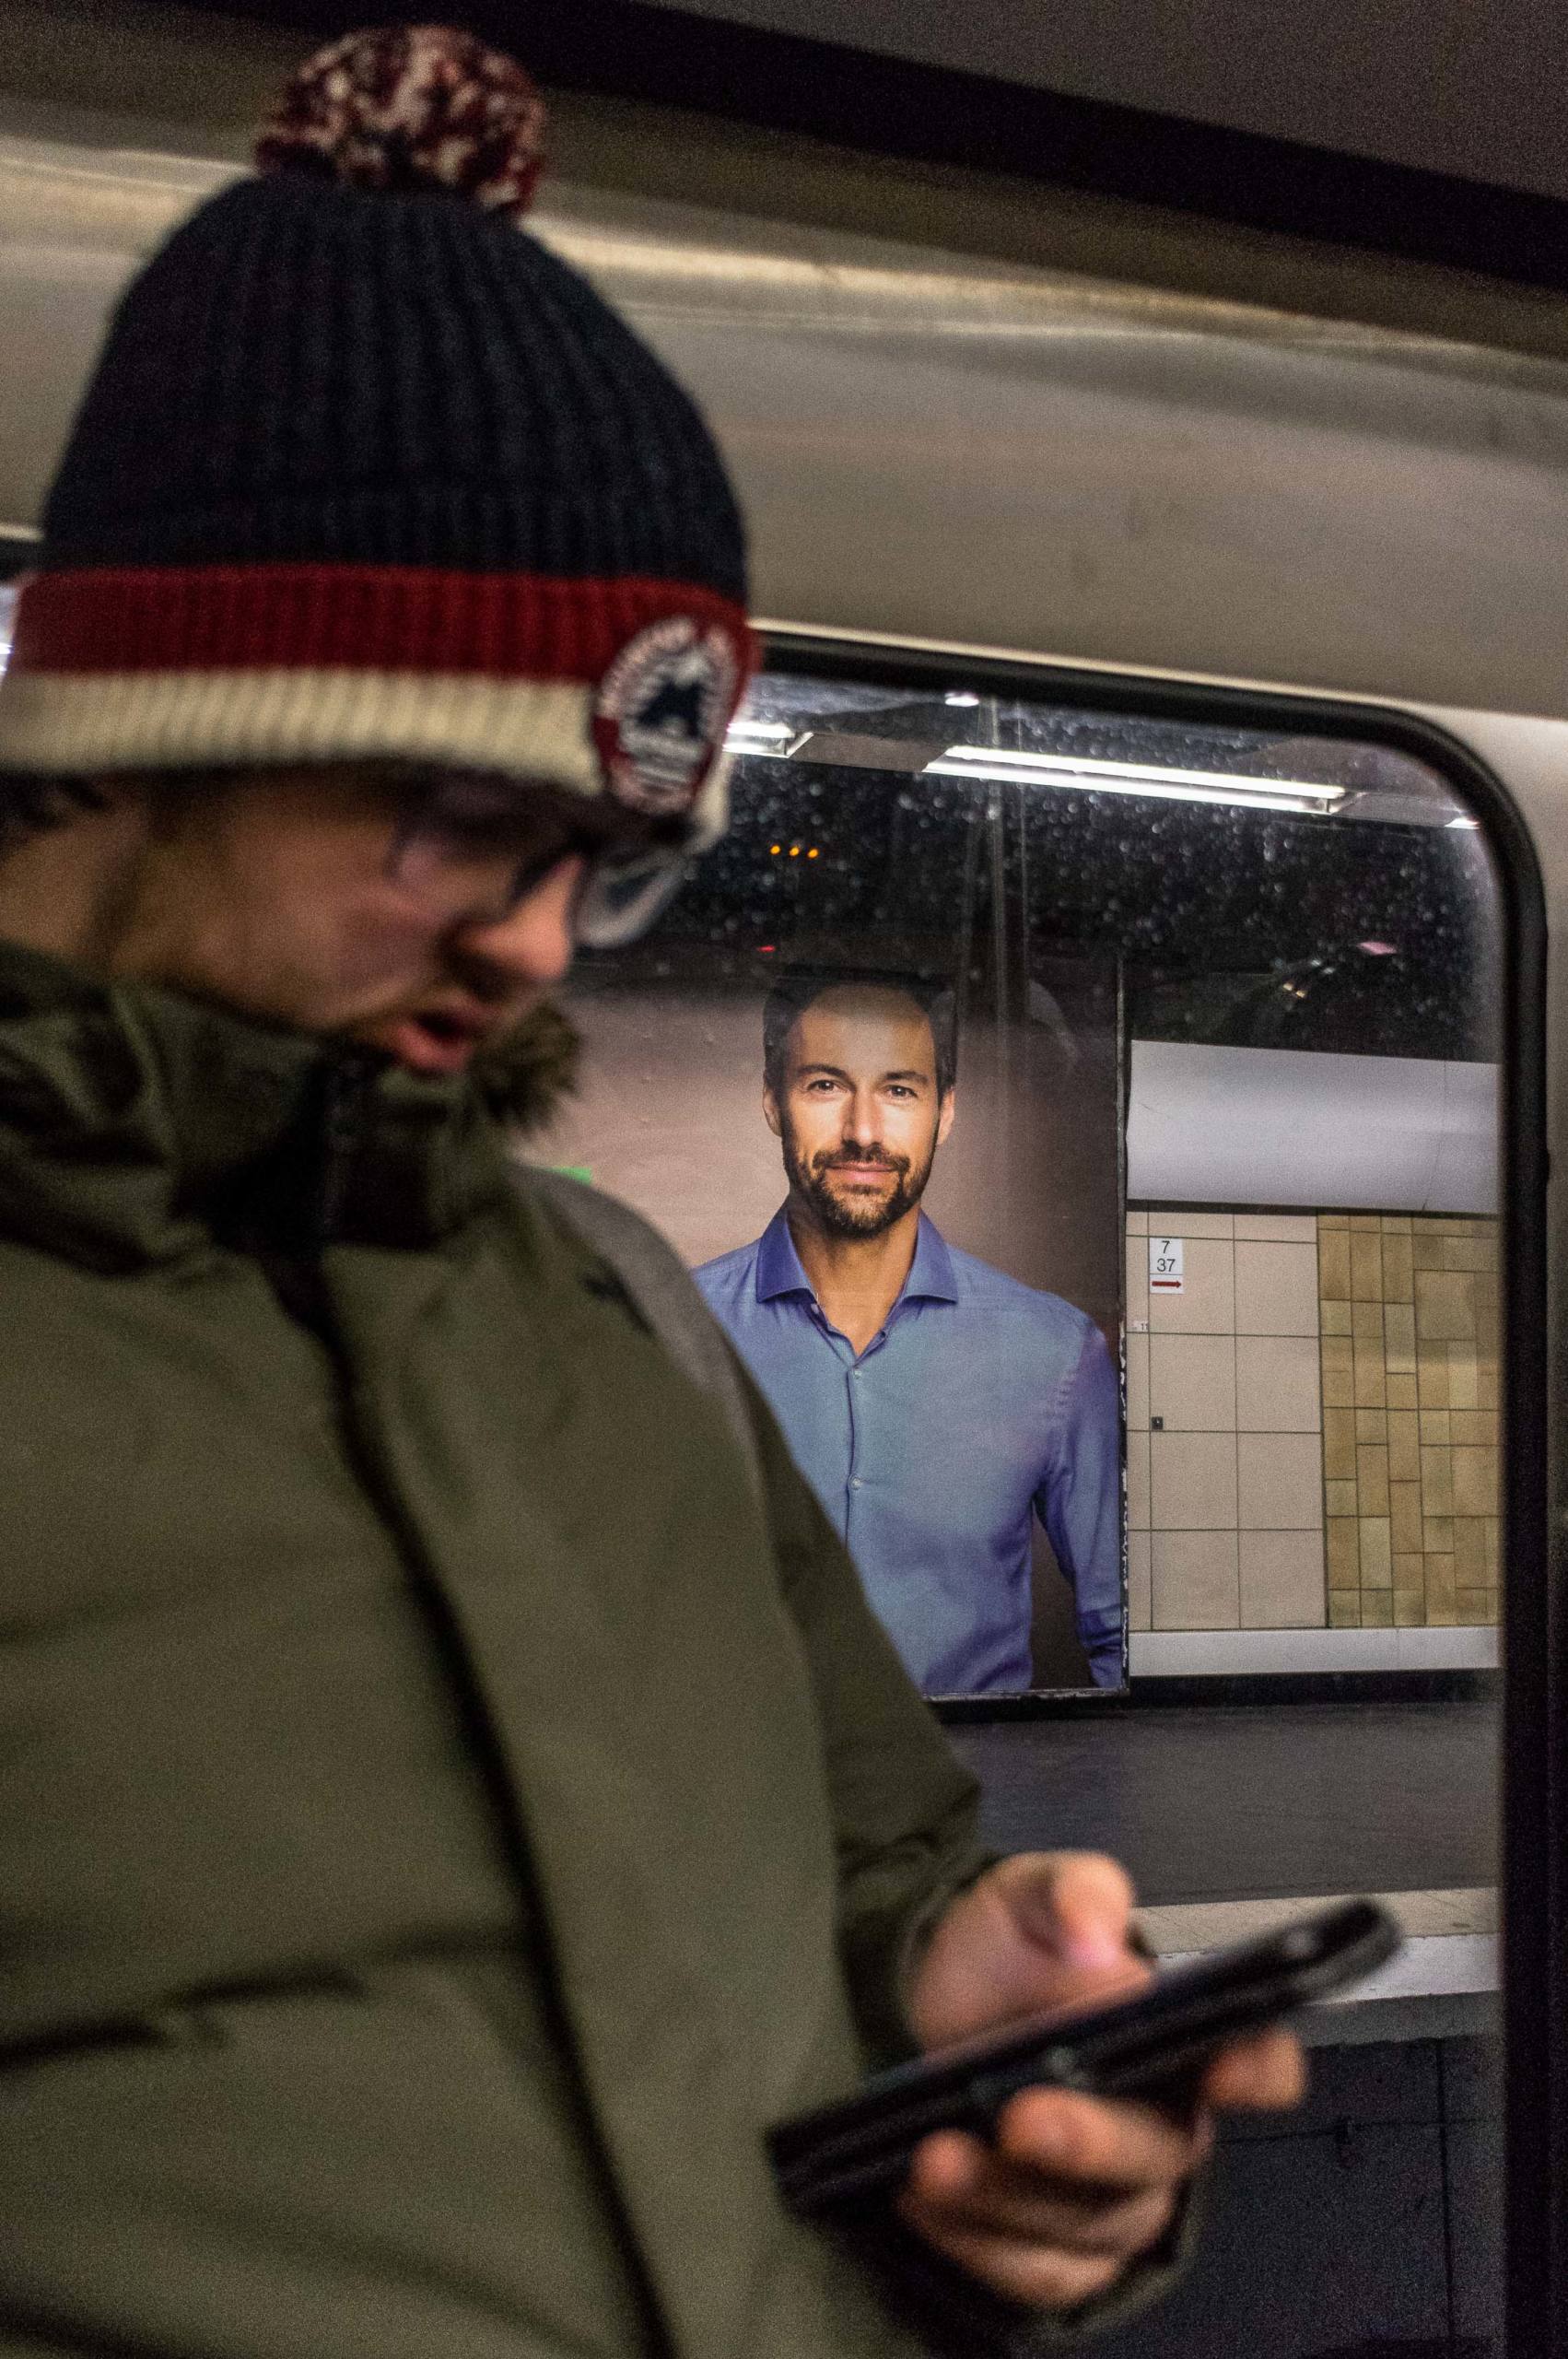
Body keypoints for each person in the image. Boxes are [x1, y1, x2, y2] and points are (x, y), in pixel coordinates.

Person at [0, 27, 1301, 2358]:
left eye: (588, 865)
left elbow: (873, 1856)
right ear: (159, 715)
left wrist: (966, 2015)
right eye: (455, 816)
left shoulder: (608, 1313)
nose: (521, 938)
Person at [696, 976, 1123, 1692]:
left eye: (900, 1091)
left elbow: (1121, 1637)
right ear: (773, 1102)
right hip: (741, 1792)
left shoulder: (1054, 1351)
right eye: (826, 1085)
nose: (864, 1131)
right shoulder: (668, 1332)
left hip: (982, 1795)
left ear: (945, 1113)